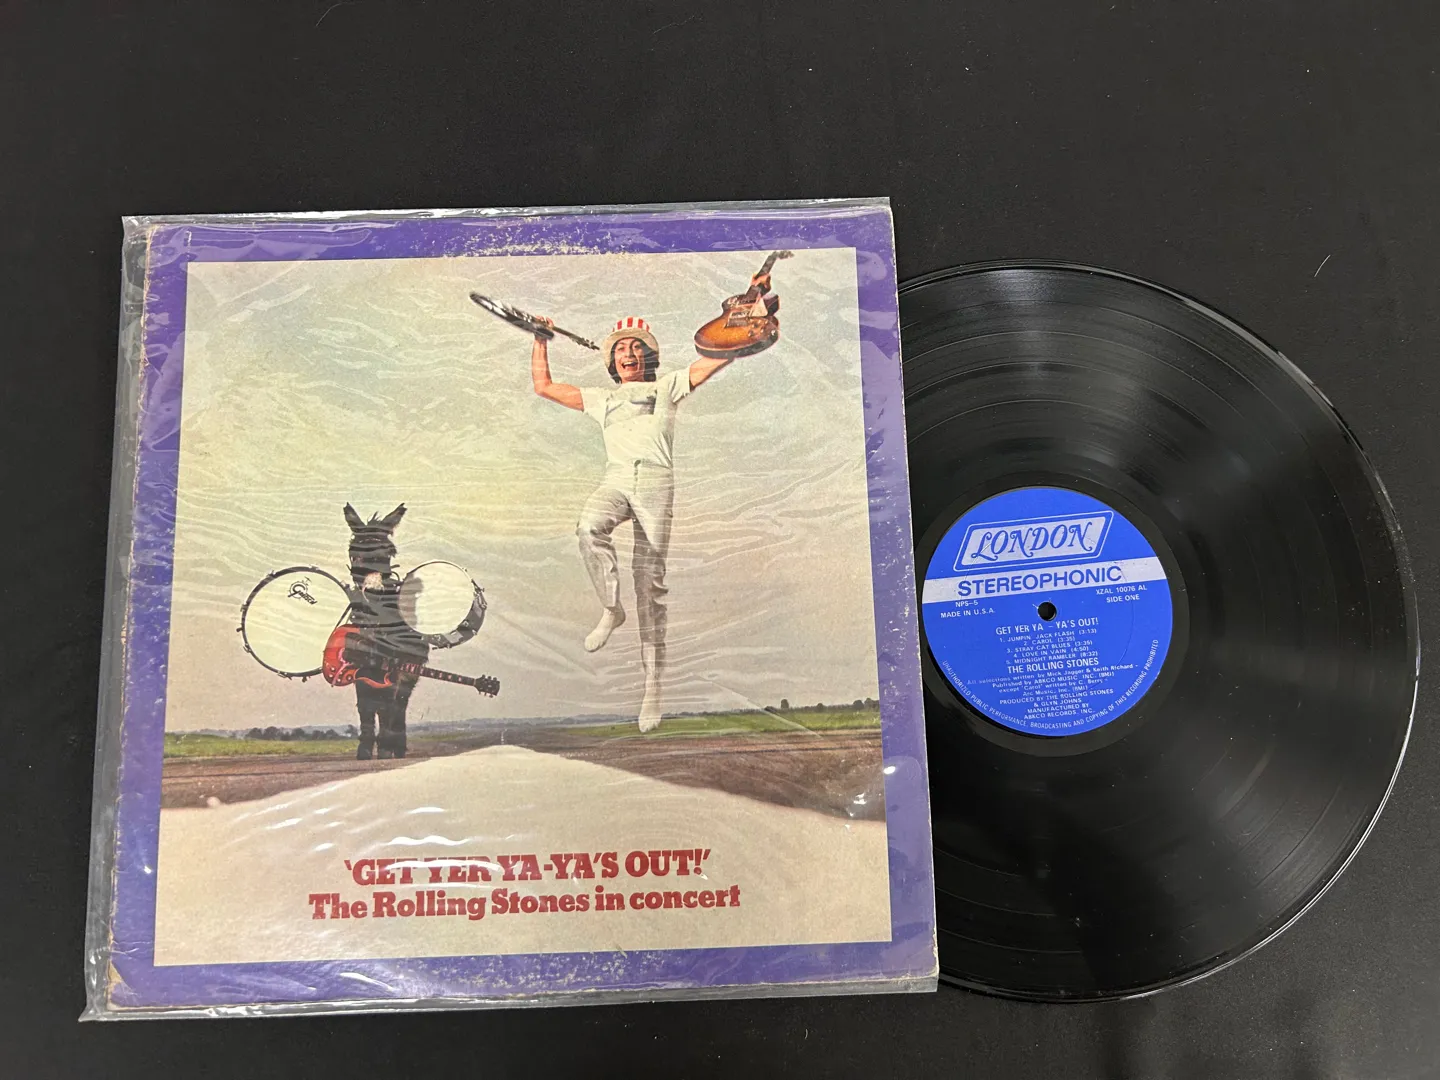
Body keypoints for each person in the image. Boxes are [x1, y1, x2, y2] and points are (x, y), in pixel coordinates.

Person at [528, 278, 766, 731]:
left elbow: (721, 354)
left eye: (637, 348)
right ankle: (610, 608)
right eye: (622, 349)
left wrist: (748, 312)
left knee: (649, 584)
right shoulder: (600, 398)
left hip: (656, 484)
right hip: (617, 479)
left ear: (648, 357)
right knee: (588, 526)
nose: (629, 354)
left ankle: (652, 686)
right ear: (612, 361)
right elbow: (543, 386)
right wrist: (540, 339)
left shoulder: (670, 385)